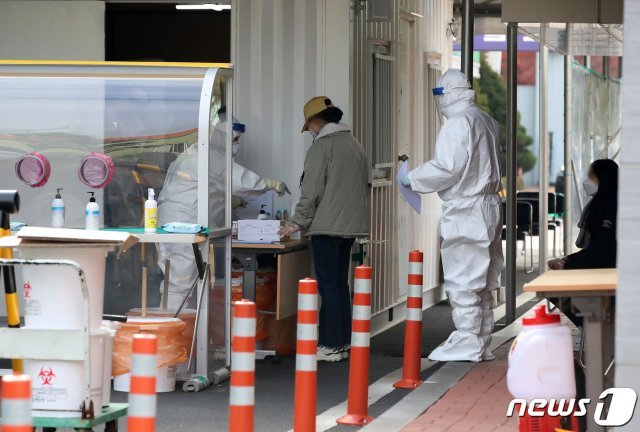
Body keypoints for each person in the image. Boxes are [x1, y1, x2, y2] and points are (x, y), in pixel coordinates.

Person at [401, 69, 503, 362]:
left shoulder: (458, 124)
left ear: (445, 94)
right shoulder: (484, 119)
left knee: (464, 277)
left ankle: (467, 341)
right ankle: (482, 340)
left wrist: (412, 179)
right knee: (483, 277)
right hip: (489, 205)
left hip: (467, 208)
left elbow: (447, 167)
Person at [157, 113, 290, 309]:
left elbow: (207, 188)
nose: (238, 144)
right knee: (181, 280)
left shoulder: (197, 153)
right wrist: (268, 184)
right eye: (235, 139)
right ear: (225, 138)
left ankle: (185, 330)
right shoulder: (212, 157)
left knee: (180, 279)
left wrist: (229, 202)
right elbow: (241, 180)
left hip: (175, 221)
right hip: (183, 224)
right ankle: (174, 330)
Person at [279, 96, 369, 362]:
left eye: (310, 127)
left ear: (315, 121)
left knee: (328, 287)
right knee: (340, 285)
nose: (311, 132)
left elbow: (312, 190)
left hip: (327, 227)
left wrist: (298, 221)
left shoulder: (322, 147)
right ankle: (341, 342)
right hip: (348, 227)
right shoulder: (354, 144)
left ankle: (330, 343)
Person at [548, 159, 618, 270]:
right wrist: (567, 260)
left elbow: (603, 250)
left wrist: (567, 263)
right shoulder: (600, 203)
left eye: (591, 177)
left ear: (604, 178)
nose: (586, 181)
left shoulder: (615, 206)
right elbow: (596, 248)